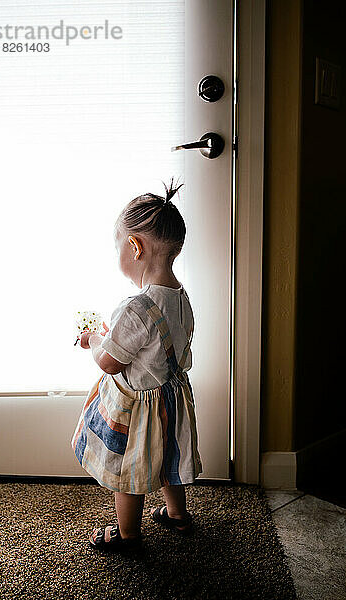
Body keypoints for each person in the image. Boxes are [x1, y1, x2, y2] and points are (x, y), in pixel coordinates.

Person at [71, 176, 203, 553]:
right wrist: (119, 336)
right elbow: (158, 346)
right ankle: (177, 514)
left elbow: (110, 363)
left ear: (134, 246)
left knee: (128, 472)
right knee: (168, 458)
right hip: (172, 400)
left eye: (118, 246)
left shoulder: (135, 307)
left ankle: (128, 536)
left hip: (140, 408)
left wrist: (94, 339)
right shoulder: (181, 298)